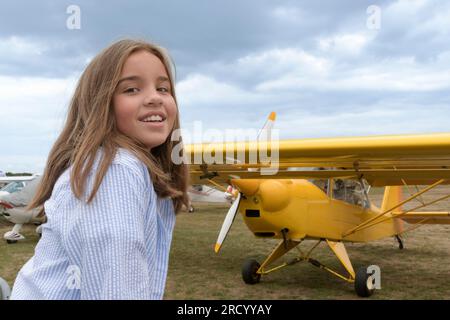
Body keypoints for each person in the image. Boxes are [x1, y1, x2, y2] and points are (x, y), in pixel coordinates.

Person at [10, 39, 189, 300]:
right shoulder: (115, 170)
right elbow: (118, 289)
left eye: (163, 88)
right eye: (131, 89)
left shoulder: (124, 168)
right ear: (99, 103)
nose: (154, 97)